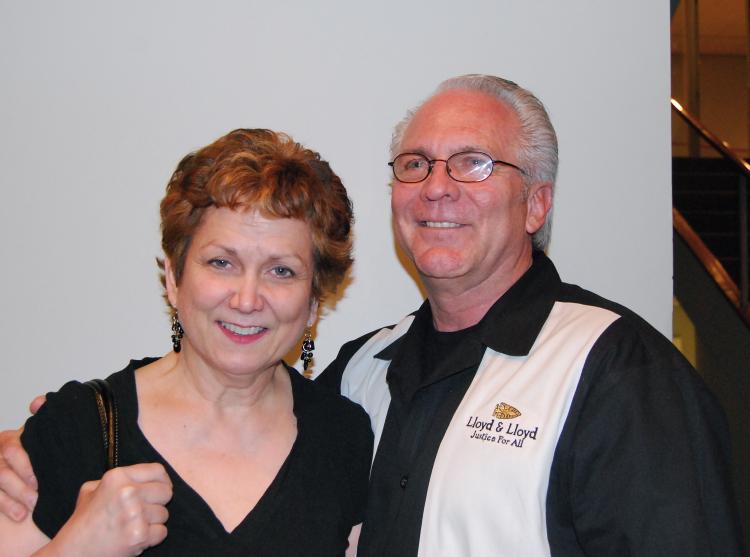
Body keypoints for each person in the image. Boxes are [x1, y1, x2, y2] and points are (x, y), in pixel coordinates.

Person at [0, 75, 745, 555]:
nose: (438, 188)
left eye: (475, 163)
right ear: (173, 275)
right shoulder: (363, 379)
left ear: (538, 203)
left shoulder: (617, 372)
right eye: (416, 164)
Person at [0, 128, 373, 556]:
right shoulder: (77, 427)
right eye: (221, 262)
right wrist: (77, 548)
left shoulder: (343, 438)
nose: (247, 299)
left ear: (313, 302)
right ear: (174, 279)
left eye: (281, 271)